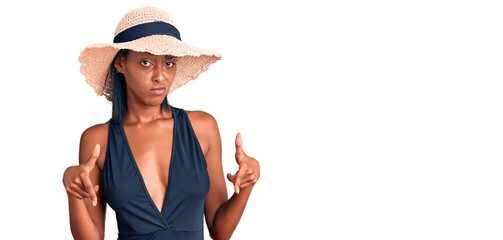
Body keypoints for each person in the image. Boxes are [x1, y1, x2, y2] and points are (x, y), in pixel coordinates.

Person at [62, 6, 260, 240]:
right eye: (145, 62)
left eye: (168, 63)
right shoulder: (97, 140)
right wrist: (72, 191)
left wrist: (246, 185)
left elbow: (219, 230)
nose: (160, 76)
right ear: (120, 64)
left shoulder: (202, 128)